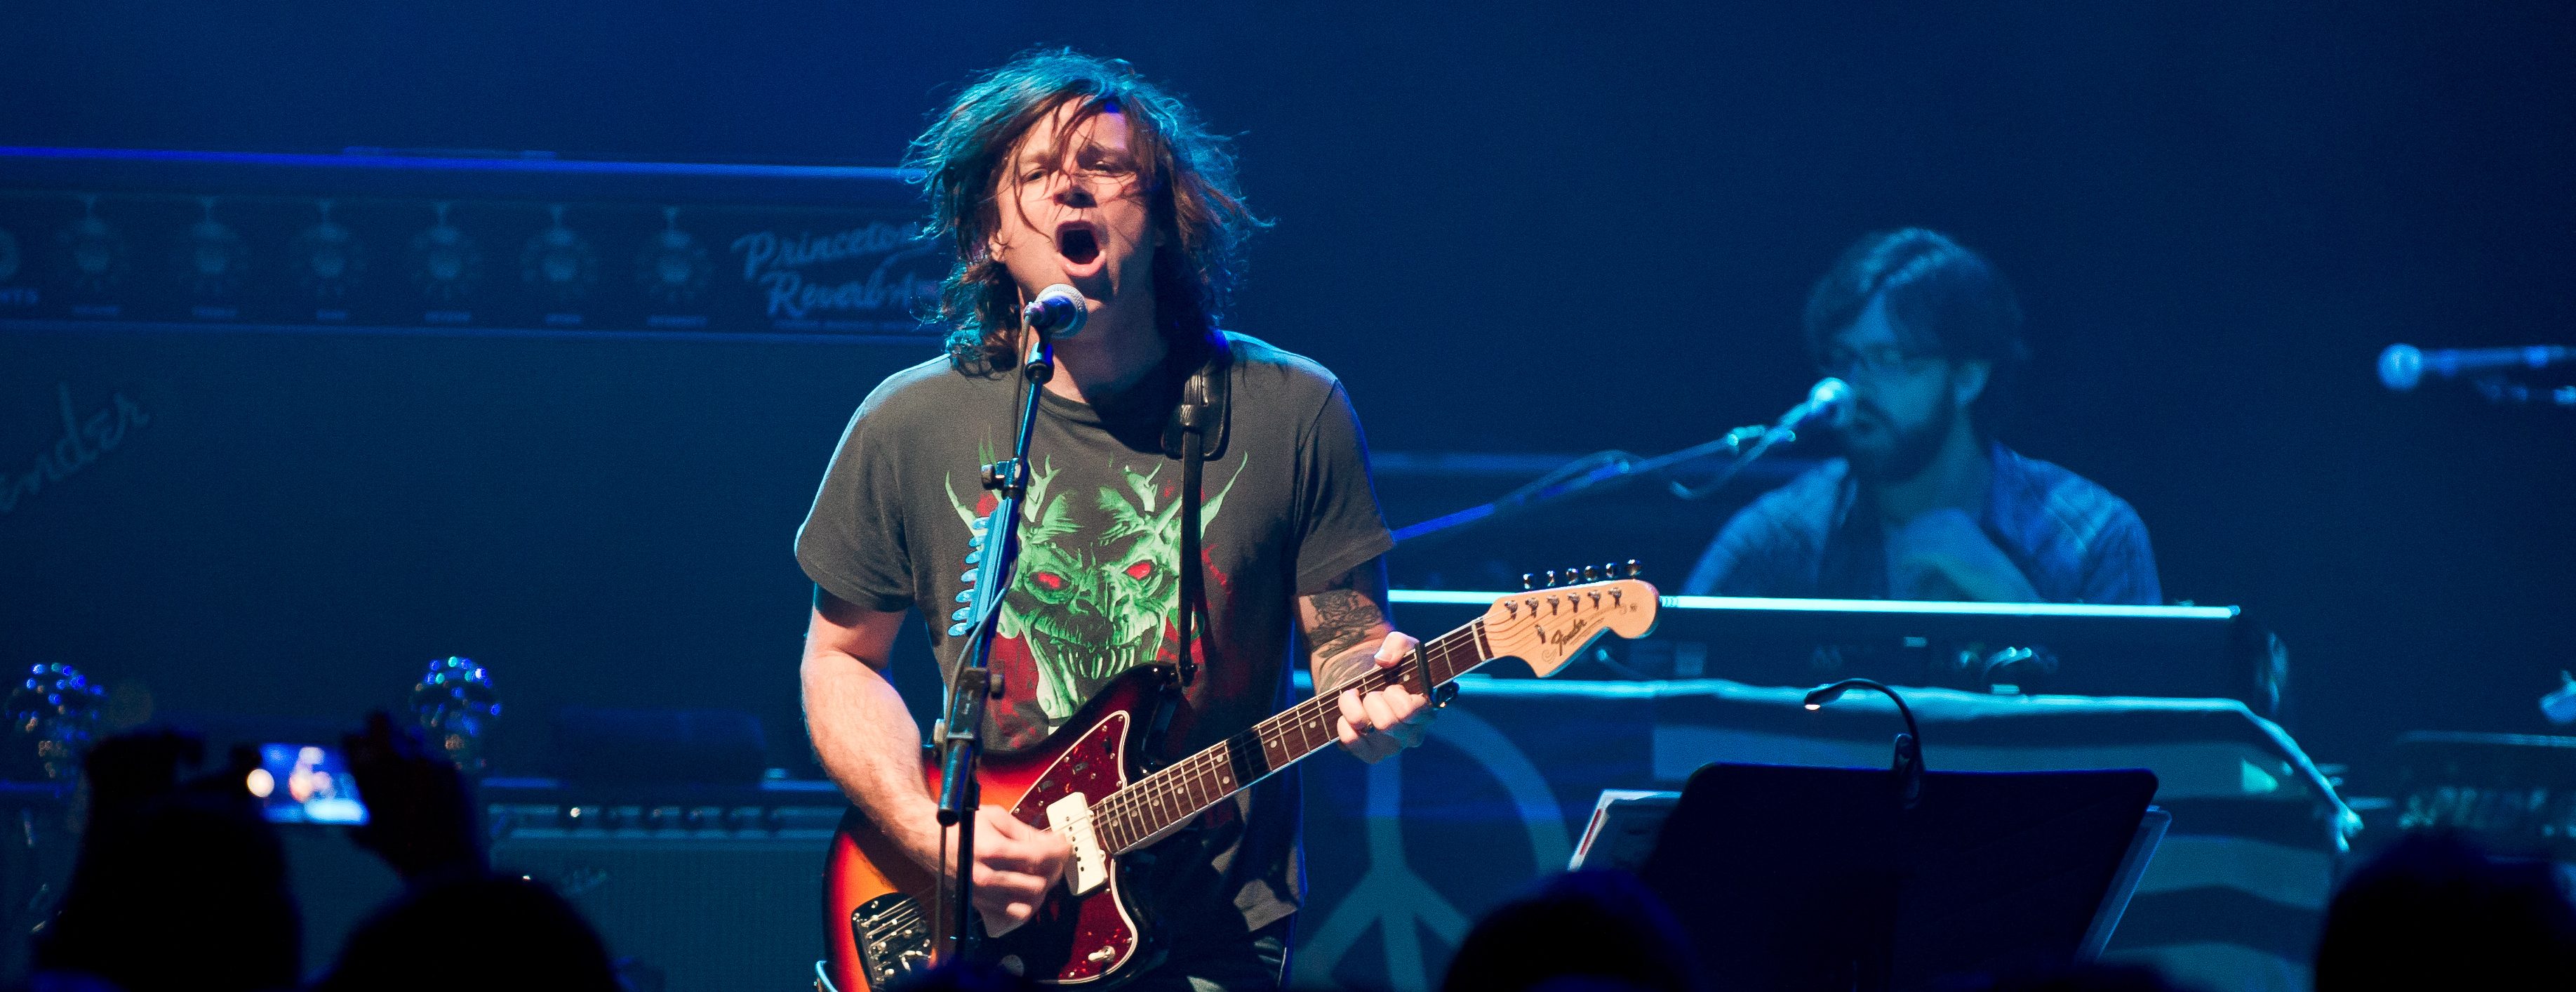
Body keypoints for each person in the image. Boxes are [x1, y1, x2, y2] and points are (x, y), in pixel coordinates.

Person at [796, 49, 1432, 990]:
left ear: (1166, 220)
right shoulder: (908, 423)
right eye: (1036, 177)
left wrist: (1371, 690)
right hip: (971, 929)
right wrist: (927, 839)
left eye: (1104, 167)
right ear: (986, 236)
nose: (1072, 194)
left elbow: (1347, 644)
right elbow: (839, 659)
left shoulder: (1292, 410)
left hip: (1210, 928)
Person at [1682, 229, 2161, 604]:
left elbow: (2144, 725)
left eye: (1887, 358)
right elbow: (1660, 683)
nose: (1852, 387)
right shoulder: (1783, 534)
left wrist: (2016, 607)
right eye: (1841, 358)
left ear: (1967, 377)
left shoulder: (2093, 536)